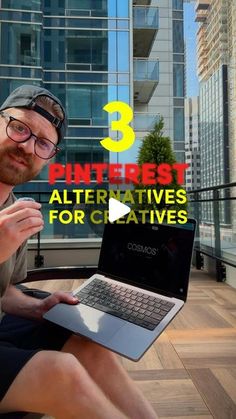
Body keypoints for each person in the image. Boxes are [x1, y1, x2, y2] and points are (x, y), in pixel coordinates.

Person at [0, 85, 158, 419]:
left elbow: (4, 292)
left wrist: (38, 307)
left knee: (87, 341)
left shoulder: (15, 210)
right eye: (20, 128)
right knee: (61, 373)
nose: (27, 147)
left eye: (43, 143)